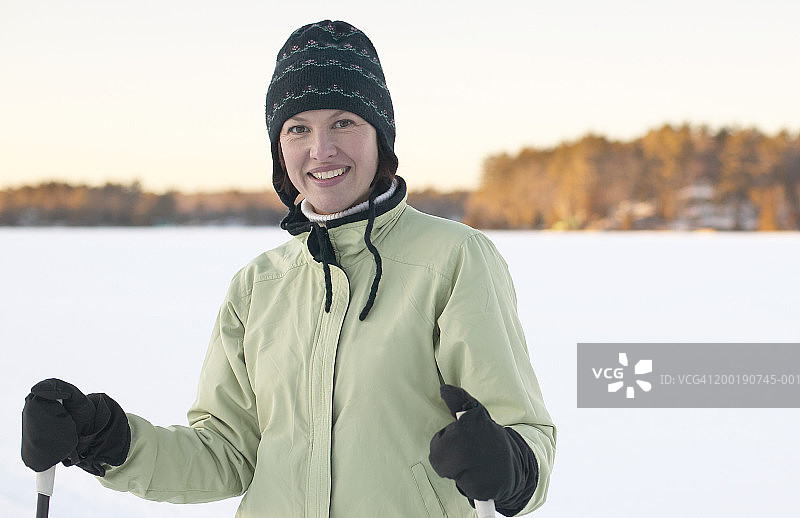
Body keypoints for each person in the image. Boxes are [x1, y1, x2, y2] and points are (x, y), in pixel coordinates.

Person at [21, 20, 556, 517]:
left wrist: (508, 464)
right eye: (298, 128)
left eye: (343, 122)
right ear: (280, 147)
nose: (321, 149)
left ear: (380, 137)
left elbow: (526, 437)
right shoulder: (259, 286)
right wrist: (105, 438)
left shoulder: (453, 259)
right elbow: (226, 454)